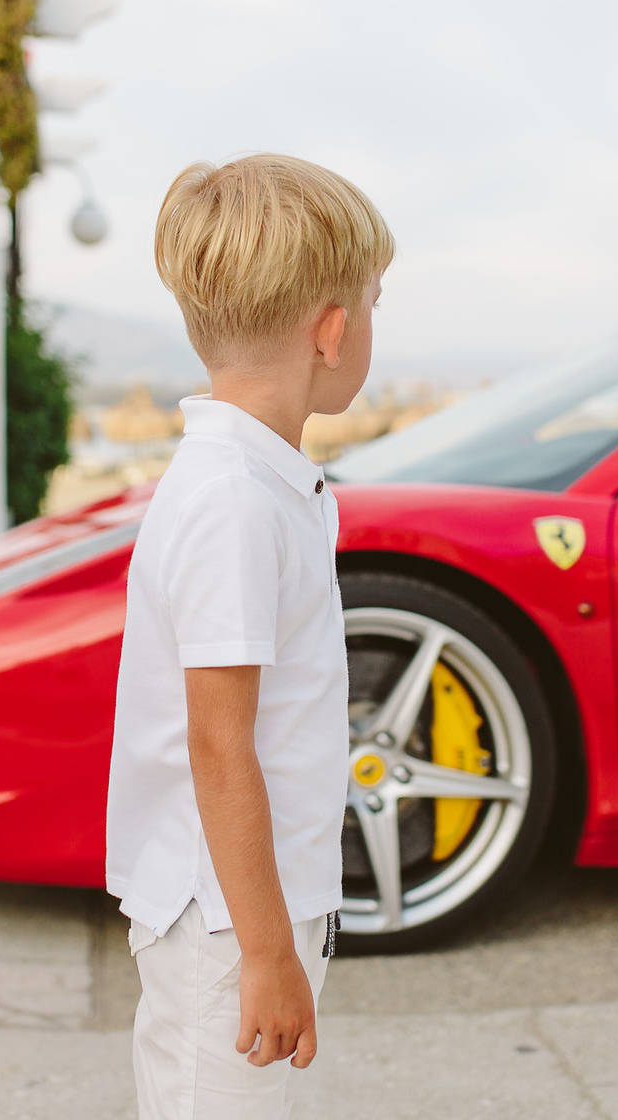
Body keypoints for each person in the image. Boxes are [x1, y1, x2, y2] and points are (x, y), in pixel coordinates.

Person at [106, 154, 392, 1119]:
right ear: (332, 330)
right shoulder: (233, 500)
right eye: (375, 303)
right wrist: (268, 951)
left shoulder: (266, 481)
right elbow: (217, 740)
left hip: (253, 909)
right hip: (227, 926)